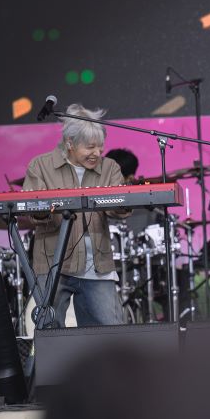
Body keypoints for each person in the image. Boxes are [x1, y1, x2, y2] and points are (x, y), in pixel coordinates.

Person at [23, 104, 127, 326]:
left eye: (100, 147)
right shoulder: (40, 166)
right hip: (52, 264)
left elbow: (119, 209)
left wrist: (122, 203)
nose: (97, 153)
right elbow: (33, 213)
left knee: (111, 334)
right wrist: (42, 209)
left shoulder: (110, 168)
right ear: (70, 143)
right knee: (49, 332)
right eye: (90, 147)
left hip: (97, 266)